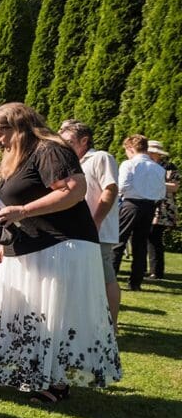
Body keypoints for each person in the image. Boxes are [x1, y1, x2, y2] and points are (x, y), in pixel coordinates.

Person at [0, 102, 120, 404]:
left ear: (18, 127)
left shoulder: (50, 149)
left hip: (60, 245)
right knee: (35, 314)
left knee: (55, 315)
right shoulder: (18, 157)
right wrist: (2, 241)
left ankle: (57, 382)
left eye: (1, 133)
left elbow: (74, 189)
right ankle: (35, 373)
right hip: (30, 246)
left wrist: (23, 210)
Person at [60, 119, 121, 328]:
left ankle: (110, 326)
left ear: (84, 140)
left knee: (105, 278)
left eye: (69, 141)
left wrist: (96, 222)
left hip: (98, 231)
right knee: (83, 280)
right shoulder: (73, 163)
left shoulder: (100, 157)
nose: (64, 146)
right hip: (77, 232)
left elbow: (110, 189)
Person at [113, 134, 166, 291]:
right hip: (149, 206)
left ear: (130, 148)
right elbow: (161, 191)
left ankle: (110, 276)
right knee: (140, 244)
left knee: (119, 241)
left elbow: (122, 185)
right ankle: (135, 282)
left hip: (131, 204)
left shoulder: (129, 164)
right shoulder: (159, 168)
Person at [147, 141, 177, 280]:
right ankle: (151, 269)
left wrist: (155, 182)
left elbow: (174, 187)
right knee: (148, 237)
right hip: (149, 204)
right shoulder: (146, 166)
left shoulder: (168, 167)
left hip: (163, 206)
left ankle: (156, 271)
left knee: (154, 237)